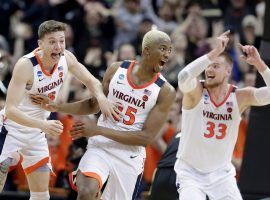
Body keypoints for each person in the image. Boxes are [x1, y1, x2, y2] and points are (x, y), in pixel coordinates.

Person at [31, 29, 176, 200]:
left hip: (129, 156)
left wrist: (99, 130)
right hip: (100, 148)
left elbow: (145, 138)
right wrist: (58, 107)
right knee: (86, 192)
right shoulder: (117, 70)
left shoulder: (165, 91)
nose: (167, 54)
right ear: (146, 50)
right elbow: (93, 104)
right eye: (163, 49)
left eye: (169, 50)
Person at [0, 20, 118, 200]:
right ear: (40, 44)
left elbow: (91, 81)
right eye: (52, 41)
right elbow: (10, 110)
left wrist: (101, 98)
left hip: (36, 133)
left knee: (42, 196)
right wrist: (43, 124)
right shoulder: (26, 65)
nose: (58, 46)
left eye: (61, 41)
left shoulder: (66, 58)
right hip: (10, 130)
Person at [175, 30, 270, 199]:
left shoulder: (240, 97)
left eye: (216, 65)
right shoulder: (196, 92)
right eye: (208, 65)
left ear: (228, 71)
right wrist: (213, 54)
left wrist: (259, 63)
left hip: (221, 175)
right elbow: (182, 77)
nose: (209, 69)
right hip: (190, 173)